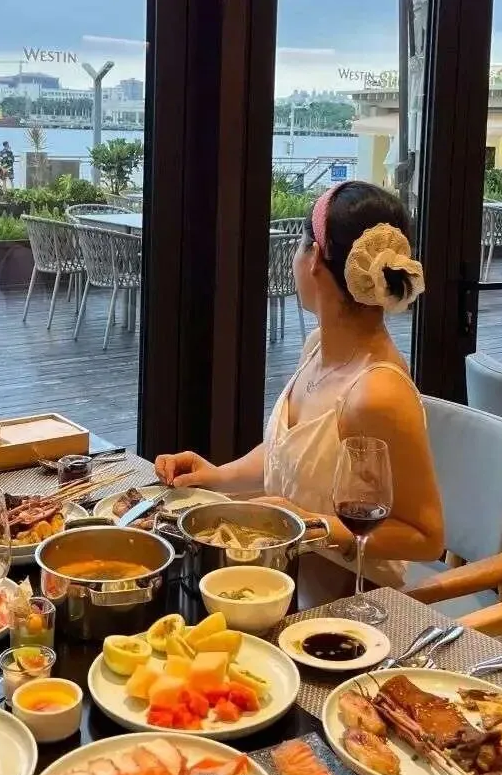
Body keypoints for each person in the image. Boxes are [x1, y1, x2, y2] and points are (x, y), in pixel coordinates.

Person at [155, 180, 444, 586]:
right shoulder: (317, 347)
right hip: (286, 578)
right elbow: (293, 456)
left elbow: (426, 537)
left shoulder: (376, 394)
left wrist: (312, 526)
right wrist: (217, 476)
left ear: (315, 259)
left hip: (349, 597)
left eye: (299, 244)